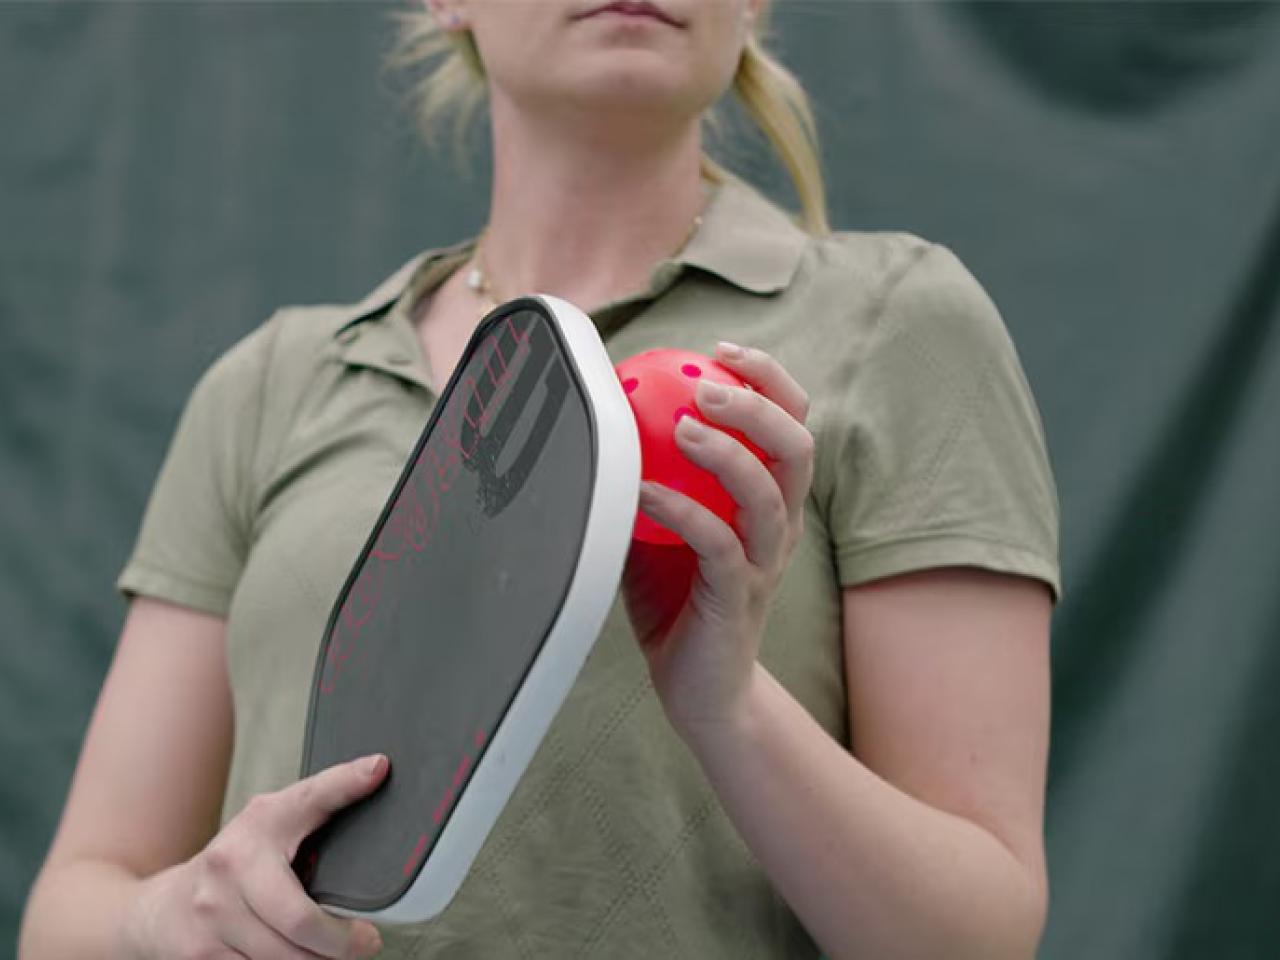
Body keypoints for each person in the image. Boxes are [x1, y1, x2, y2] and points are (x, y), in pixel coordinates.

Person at [19, 1, 1061, 958]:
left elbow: (974, 940)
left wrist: (730, 709)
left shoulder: (897, 323)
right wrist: (164, 918)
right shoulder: (271, 386)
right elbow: (73, 904)